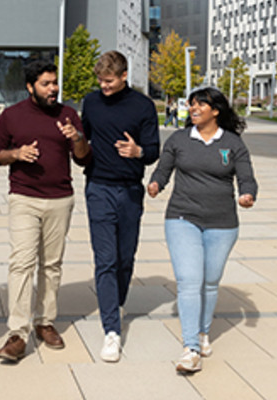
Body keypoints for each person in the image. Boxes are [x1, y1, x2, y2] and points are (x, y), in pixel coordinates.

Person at [147, 87, 257, 373]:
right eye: (191, 105)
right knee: (189, 281)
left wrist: (247, 195)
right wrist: (156, 184)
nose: (192, 109)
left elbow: (246, 177)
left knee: (209, 281)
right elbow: (163, 169)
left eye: (199, 105)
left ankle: (204, 332)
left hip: (222, 222)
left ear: (215, 110)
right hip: (183, 217)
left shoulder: (232, 143)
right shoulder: (179, 139)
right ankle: (190, 347)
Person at [0, 60, 91, 362]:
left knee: (51, 264)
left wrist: (77, 137)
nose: (53, 88)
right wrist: (16, 154)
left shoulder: (69, 115)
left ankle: (44, 322)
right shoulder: (12, 116)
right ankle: (18, 333)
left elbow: (84, 158)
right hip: (24, 197)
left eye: (54, 83)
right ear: (30, 87)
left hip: (60, 198)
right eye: (46, 83)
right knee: (22, 263)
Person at [81, 50, 160, 362]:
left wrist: (138, 151)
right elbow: (84, 139)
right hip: (98, 187)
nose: (104, 86)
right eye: (100, 80)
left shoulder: (143, 106)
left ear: (124, 76)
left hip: (130, 191)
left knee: (125, 258)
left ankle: (117, 302)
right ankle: (111, 330)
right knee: (106, 260)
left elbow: (154, 151)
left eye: (109, 80)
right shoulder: (91, 102)